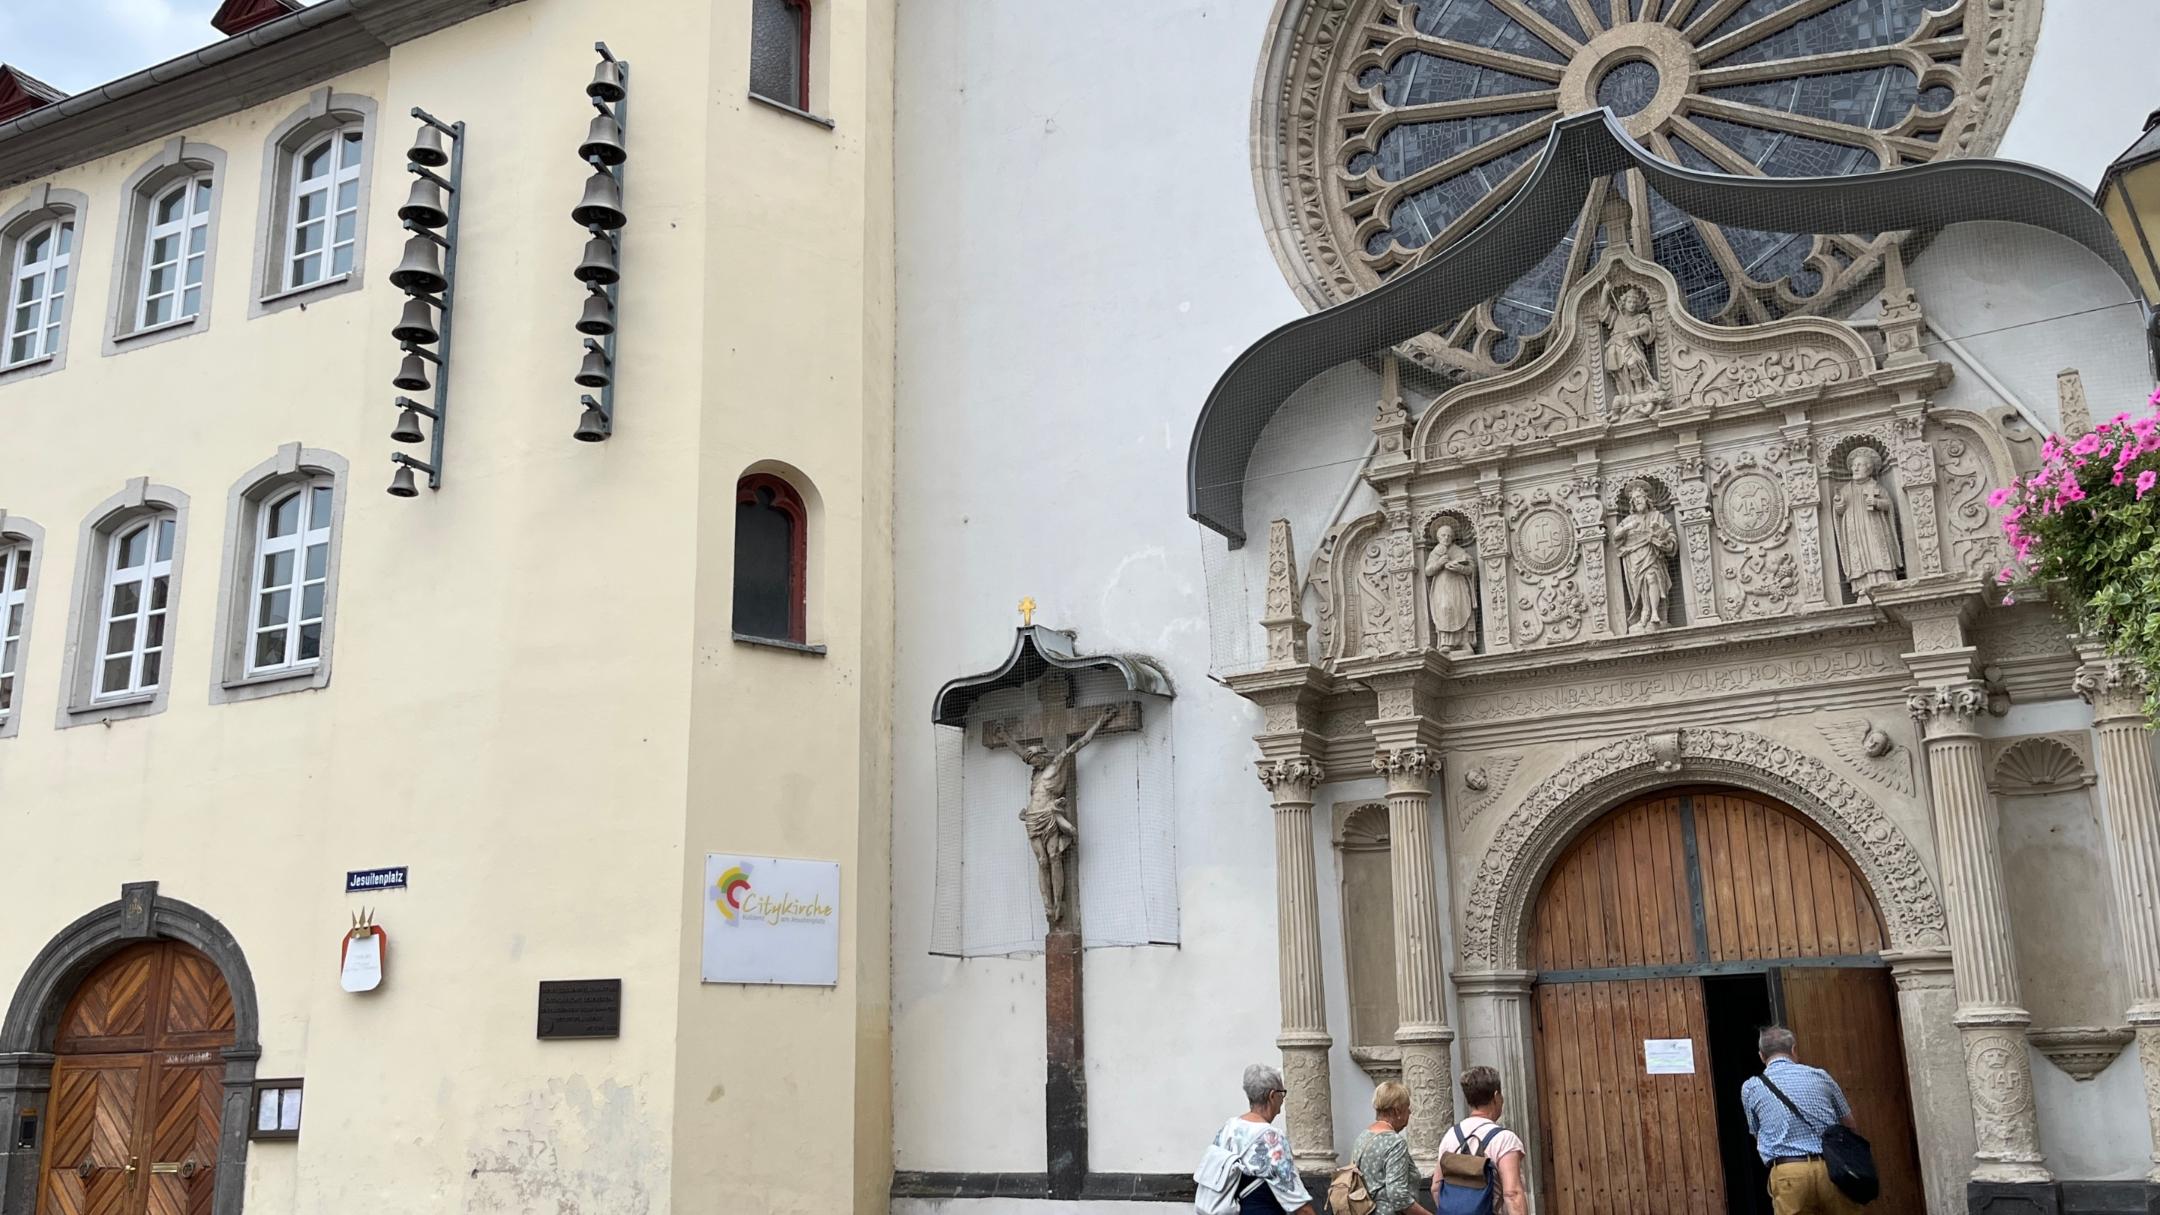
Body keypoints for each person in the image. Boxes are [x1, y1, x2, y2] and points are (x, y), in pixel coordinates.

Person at [1740, 1026, 1860, 1215]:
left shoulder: (1752, 1087)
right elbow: (1850, 1124)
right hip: (1832, 1170)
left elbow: (1756, 1131)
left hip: (1788, 1173)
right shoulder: (1820, 1076)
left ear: (1762, 1056)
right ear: (1794, 1050)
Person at [1205, 1064, 1314, 1215]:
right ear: (1272, 1096)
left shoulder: (1228, 1128)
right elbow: (1299, 1203)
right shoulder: (1272, 1138)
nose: (1282, 1098)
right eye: (1282, 1093)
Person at [1432, 1066, 1527, 1215]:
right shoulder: (1504, 1139)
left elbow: (1436, 1187)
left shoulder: (1450, 1135)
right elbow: (1512, 1194)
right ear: (1496, 1097)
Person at [1350, 1081, 1430, 1215]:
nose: (1410, 1112)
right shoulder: (1395, 1143)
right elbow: (1398, 1195)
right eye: (1407, 1107)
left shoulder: (1363, 1137)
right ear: (1397, 1111)